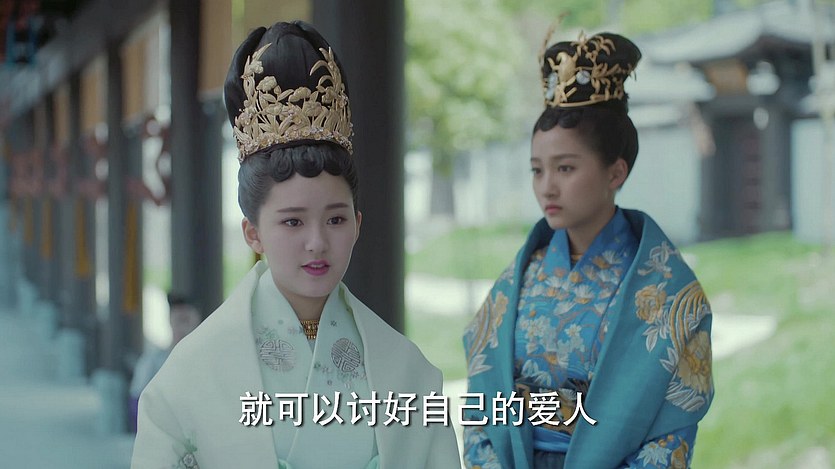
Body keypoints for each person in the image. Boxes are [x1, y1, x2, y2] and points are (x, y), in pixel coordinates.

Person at [132, 21, 460, 469]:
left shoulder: (408, 373)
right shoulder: (190, 377)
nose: (316, 242)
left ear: (358, 224)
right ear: (253, 233)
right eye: (292, 222)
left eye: (336, 219)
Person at [462, 31, 714, 468]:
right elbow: (482, 403)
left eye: (565, 168)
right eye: (537, 170)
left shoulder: (668, 295)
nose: (547, 187)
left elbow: (670, 433)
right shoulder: (519, 280)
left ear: (616, 172)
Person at [128, 293, 202, 432]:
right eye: (179, 319)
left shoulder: (207, 360)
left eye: (186, 320)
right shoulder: (152, 362)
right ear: (170, 320)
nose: (183, 327)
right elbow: (137, 404)